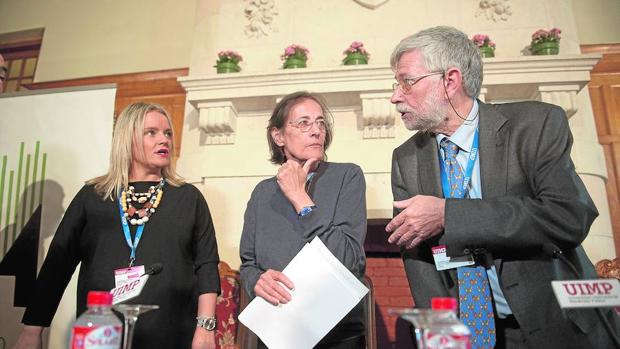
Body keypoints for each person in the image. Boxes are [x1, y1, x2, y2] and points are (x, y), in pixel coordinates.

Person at [385, 26, 620, 349]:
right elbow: (419, 261)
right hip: (475, 335)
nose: (395, 95)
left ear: (450, 81)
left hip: (559, 326)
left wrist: (449, 215)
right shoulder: (406, 158)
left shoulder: (535, 125)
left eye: (406, 81)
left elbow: (568, 216)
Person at [13, 102, 221, 349]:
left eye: (167, 133)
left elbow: (207, 266)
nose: (164, 140)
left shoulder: (188, 197)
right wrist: (31, 330)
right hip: (101, 335)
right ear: (127, 139)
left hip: (171, 334)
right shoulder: (93, 196)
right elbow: (57, 267)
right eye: (151, 132)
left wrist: (205, 327)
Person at [239, 91, 367, 348]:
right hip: (278, 328)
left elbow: (348, 259)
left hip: (337, 332)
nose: (316, 131)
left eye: (320, 123)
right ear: (278, 136)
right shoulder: (263, 193)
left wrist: (300, 197)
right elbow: (248, 264)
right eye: (304, 123)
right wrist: (256, 282)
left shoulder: (347, 176)